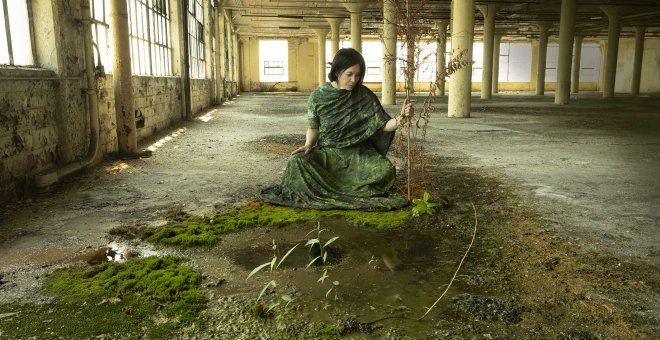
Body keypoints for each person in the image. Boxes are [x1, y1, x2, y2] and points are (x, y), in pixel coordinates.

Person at [260, 48, 413, 211]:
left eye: (358, 75)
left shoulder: (363, 95)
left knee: (385, 169)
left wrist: (401, 118)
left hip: (356, 153)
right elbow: (313, 128)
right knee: (296, 162)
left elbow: (383, 125)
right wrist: (308, 145)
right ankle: (339, 189)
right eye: (350, 74)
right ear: (338, 71)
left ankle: (335, 188)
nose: (354, 79)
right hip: (328, 152)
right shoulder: (318, 96)